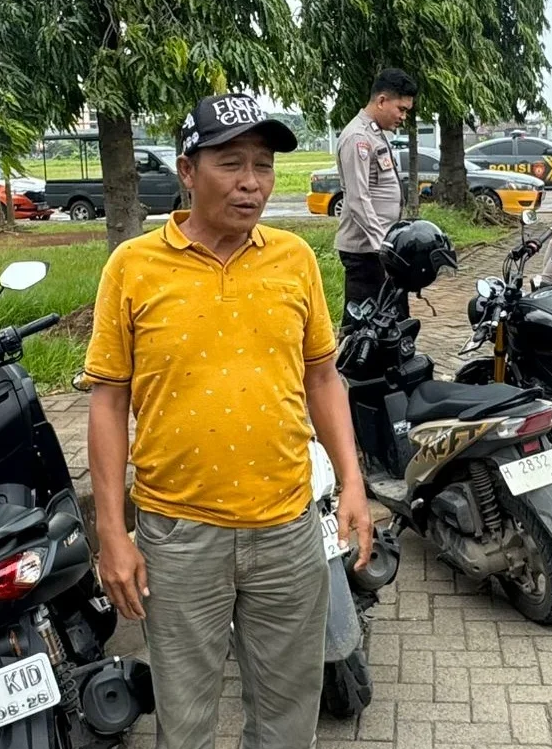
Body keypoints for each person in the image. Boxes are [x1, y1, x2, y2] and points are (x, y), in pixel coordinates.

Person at [84, 93, 374, 749]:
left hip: (286, 528)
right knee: (184, 722)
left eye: (264, 165)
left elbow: (323, 376)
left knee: (285, 715)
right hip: (178, 534)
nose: (251, 183)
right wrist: (111, 530)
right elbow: (107, 397)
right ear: (188, 171)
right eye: (231, 163)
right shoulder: (132, 266)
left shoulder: (293, 258)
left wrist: (353, 483)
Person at [335, 68, 419, 326]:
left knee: (395, 325)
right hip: (367, 253)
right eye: (401, 109)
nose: (403, 117)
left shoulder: (375, 133)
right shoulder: (358, 137)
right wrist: (384, 246)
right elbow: (359, 199)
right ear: (382, 101)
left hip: (380, 250)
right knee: (363, 331)